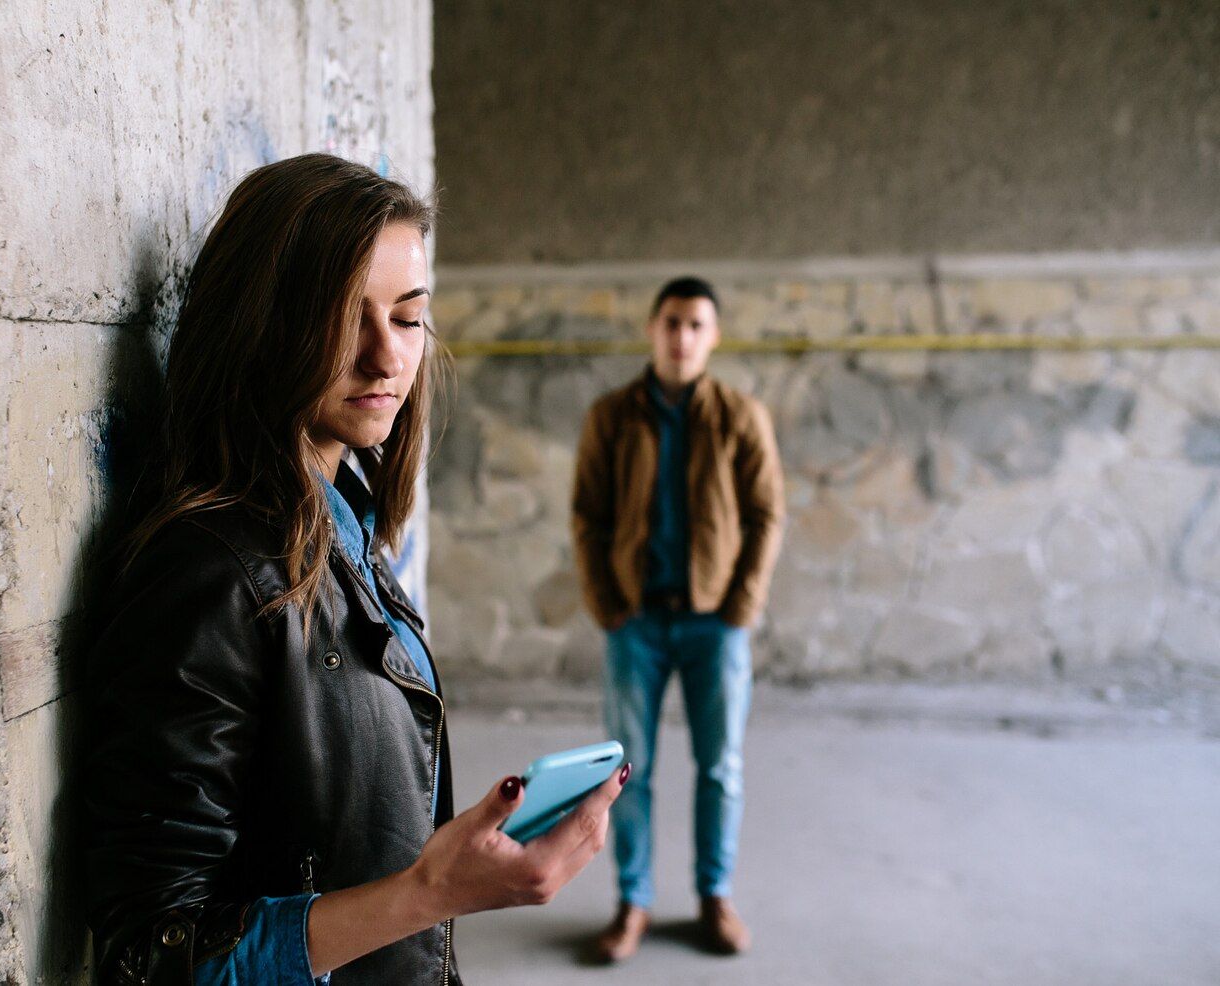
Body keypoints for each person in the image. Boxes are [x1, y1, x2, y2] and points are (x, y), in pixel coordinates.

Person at [82, 154, 627, 986]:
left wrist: (451, 864)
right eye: (344, 321)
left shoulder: (350, 524)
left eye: (408, 319)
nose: (384, 359)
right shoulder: (209, 574)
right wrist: (427, 892)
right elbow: (151, 955)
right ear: (259, 325)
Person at [571, 276, 785, 962]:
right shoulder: (611, 416)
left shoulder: (740, 415)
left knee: (720, 765)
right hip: (636, 623)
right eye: (672, 322)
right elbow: (587, 516)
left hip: (715, 624)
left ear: (713, 336)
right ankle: (632, 903)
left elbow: (765, 516)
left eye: (696, 324)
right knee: (628, 770)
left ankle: (713, 897)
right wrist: (607, 605)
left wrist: (741, 606)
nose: (682, 336)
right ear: (652, 328)